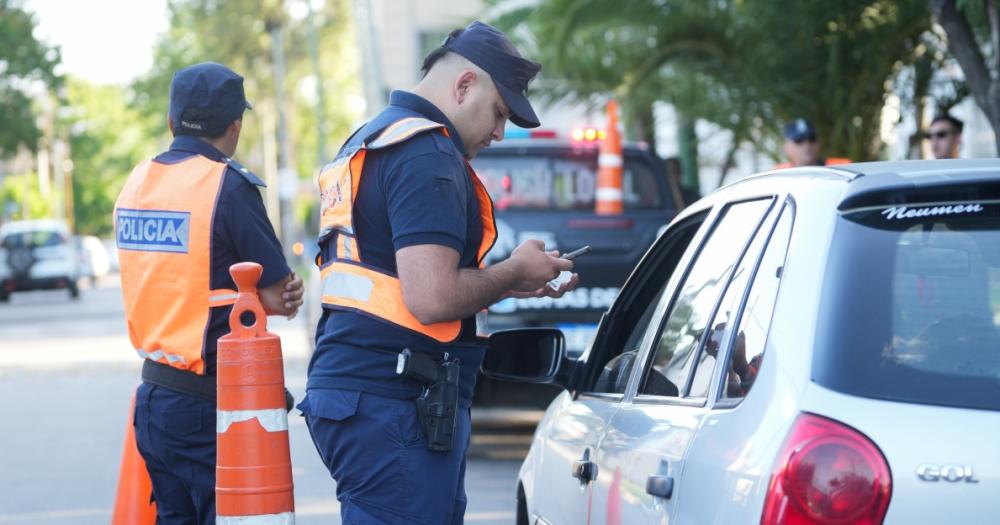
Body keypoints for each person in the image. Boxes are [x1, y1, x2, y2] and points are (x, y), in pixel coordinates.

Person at [299, 20, 579, 524]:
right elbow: (431, 295)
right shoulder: (426, 153)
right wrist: (513, 273)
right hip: (393, 404)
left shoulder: (375, 137)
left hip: (367, 394)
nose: (499, 132)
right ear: (465, 84)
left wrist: (512, 276)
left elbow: (396, 283)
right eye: (499, 113)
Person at [114, 62, 304, 524]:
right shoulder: (228, 185)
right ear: (235, 125)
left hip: (154, 397)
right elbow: (279, 297)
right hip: (212, 405)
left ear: (171, 122)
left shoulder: (137, 183)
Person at [775, 118, 851, 168]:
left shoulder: (844, 167)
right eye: (799, 140)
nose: (807, 145)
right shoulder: (776, 175)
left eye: (812, 138)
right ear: (785, 147)